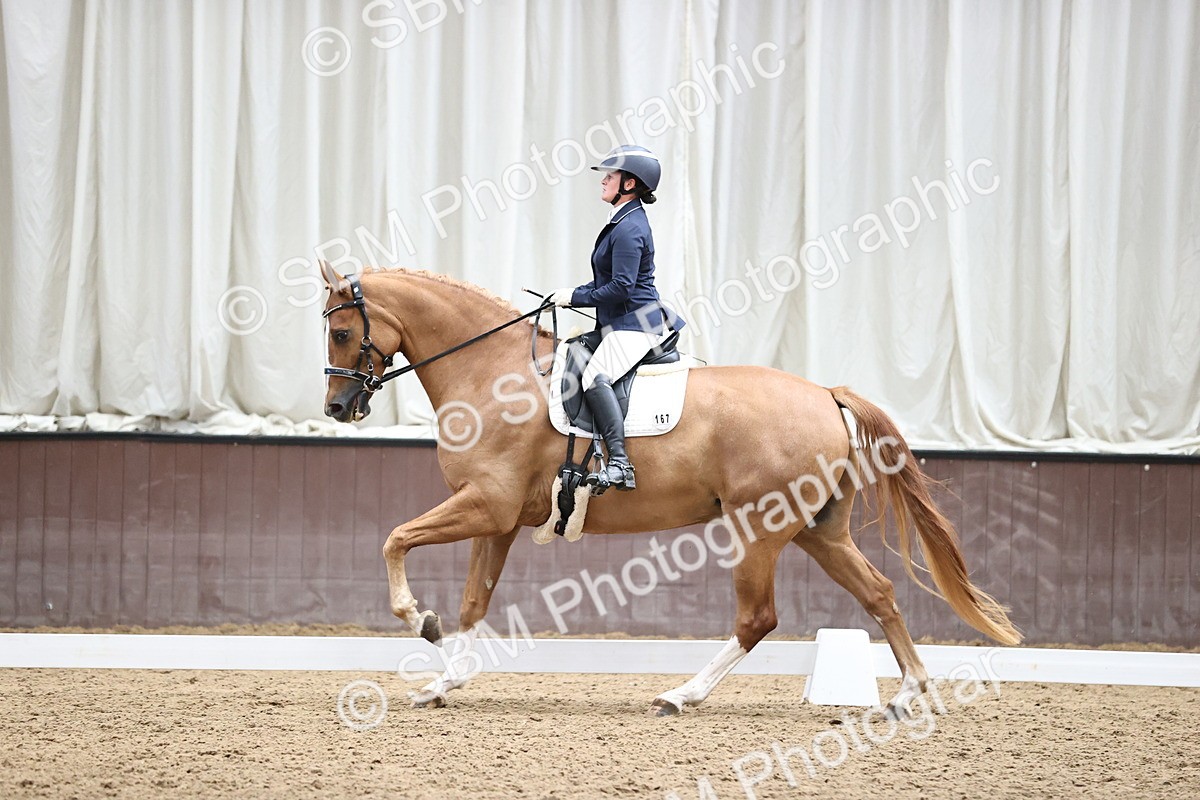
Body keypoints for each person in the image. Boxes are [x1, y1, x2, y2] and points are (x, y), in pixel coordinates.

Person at [549, 144, 686, 492]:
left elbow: (621, 288)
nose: (604, 180)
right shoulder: (622, 221)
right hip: (618, 323)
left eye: (610, 175)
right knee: (573, 348)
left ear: (629, 184)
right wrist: (567, 294)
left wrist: (577, 297)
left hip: (636, 325)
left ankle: (621, 464)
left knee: (595, 376)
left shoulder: (629, 228)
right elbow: (605, 281)